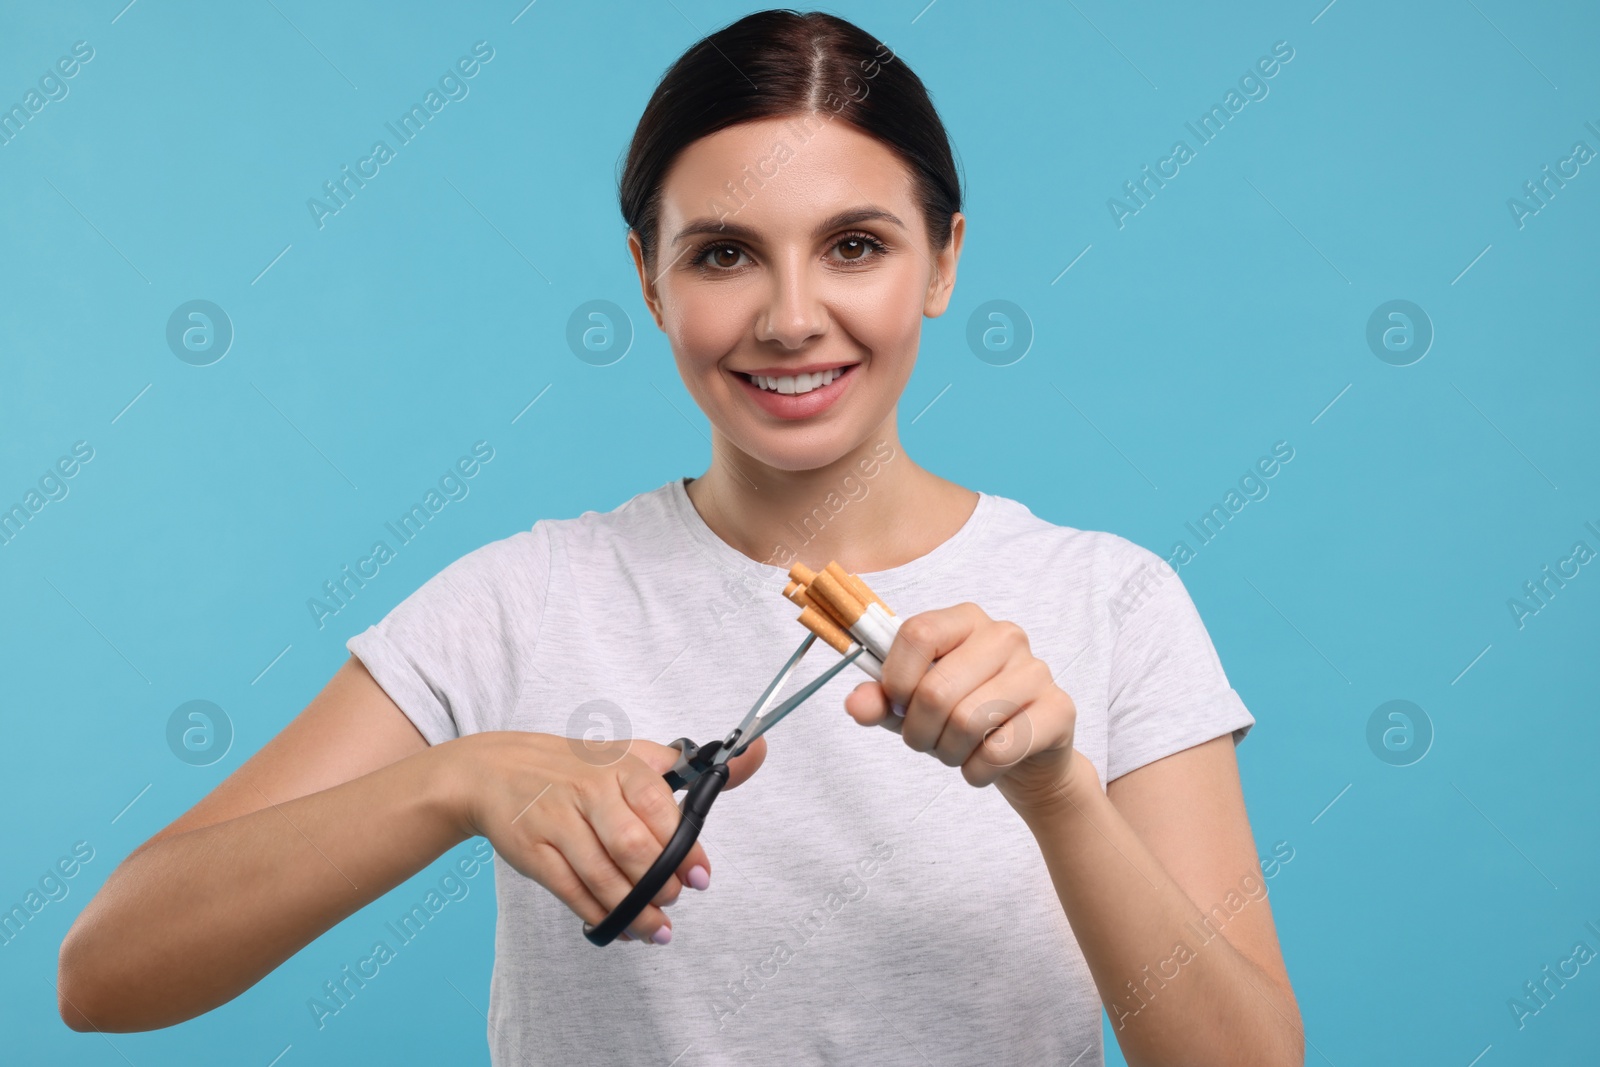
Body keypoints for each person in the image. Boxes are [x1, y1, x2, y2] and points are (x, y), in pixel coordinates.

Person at [58, 10, 1302, 1065]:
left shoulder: (1111, 601)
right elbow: (107, 971)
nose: (792, 315)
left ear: (943, 259)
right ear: (651, 279)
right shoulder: (521, 600)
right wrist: (456, 779)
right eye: (722, 254)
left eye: (856, 246)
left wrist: (1056, 795)